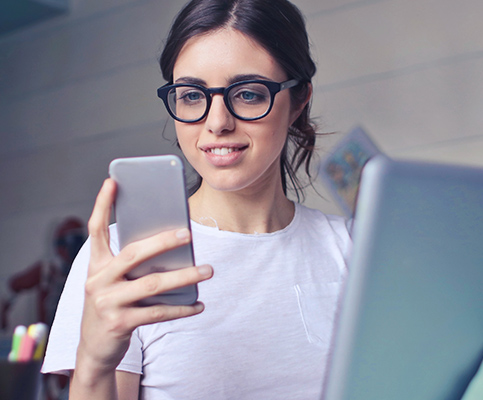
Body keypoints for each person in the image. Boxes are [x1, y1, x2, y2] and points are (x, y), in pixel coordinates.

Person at [41, 0, 352, 398]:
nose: (217, 122)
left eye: (249, 94)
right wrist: (93, 363)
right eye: (191, 96)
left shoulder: (354, 250)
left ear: (299, 100)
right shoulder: (123, 258)